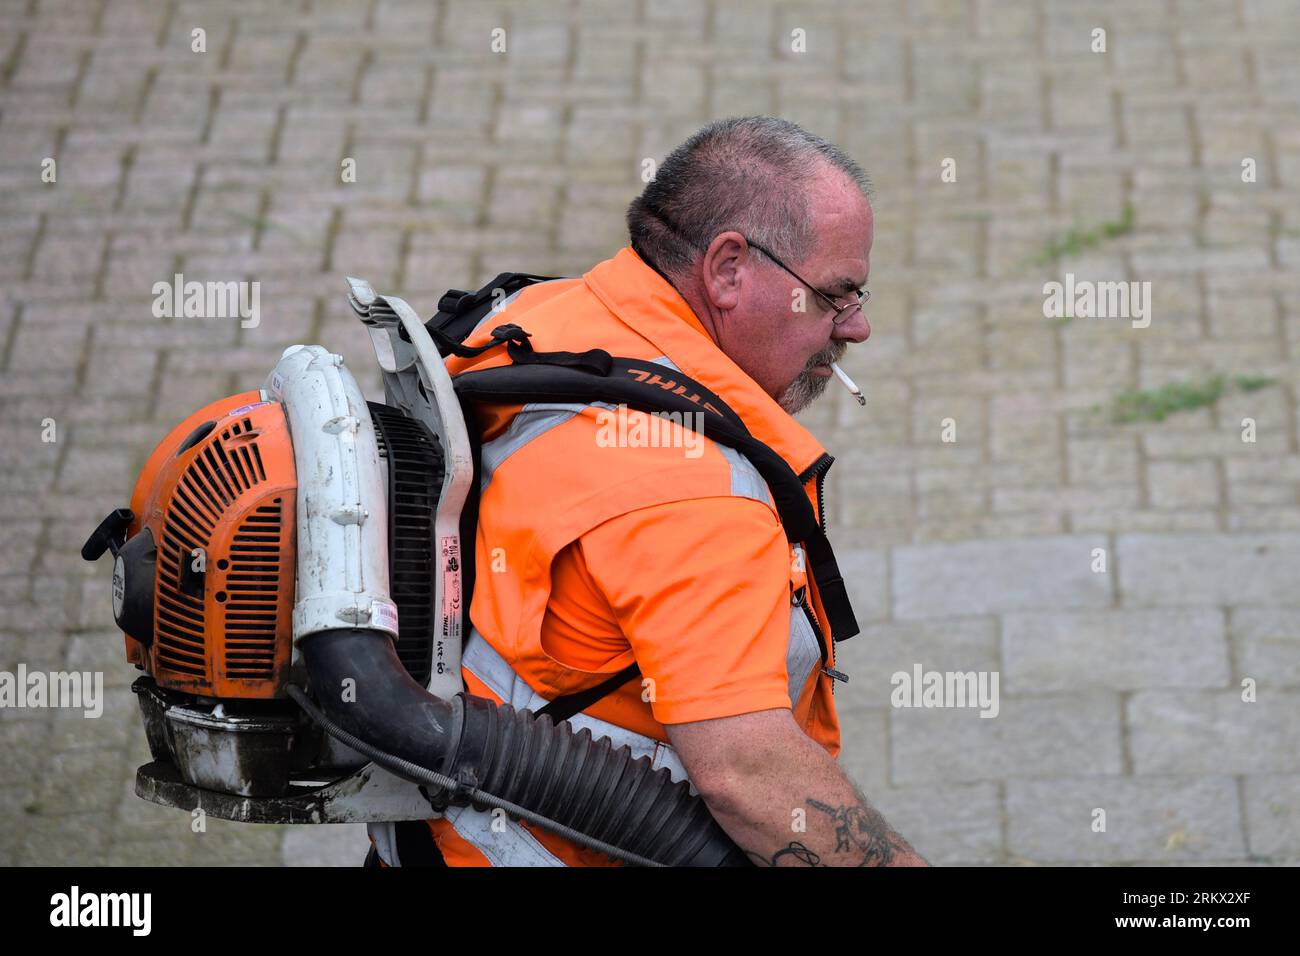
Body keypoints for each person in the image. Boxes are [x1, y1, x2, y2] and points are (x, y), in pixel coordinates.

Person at [367, 115, 927, 867]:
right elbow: (750, 776)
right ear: (728, 269)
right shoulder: (694, 497)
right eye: (835, 295)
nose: (856, 327)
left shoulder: (539, 319)